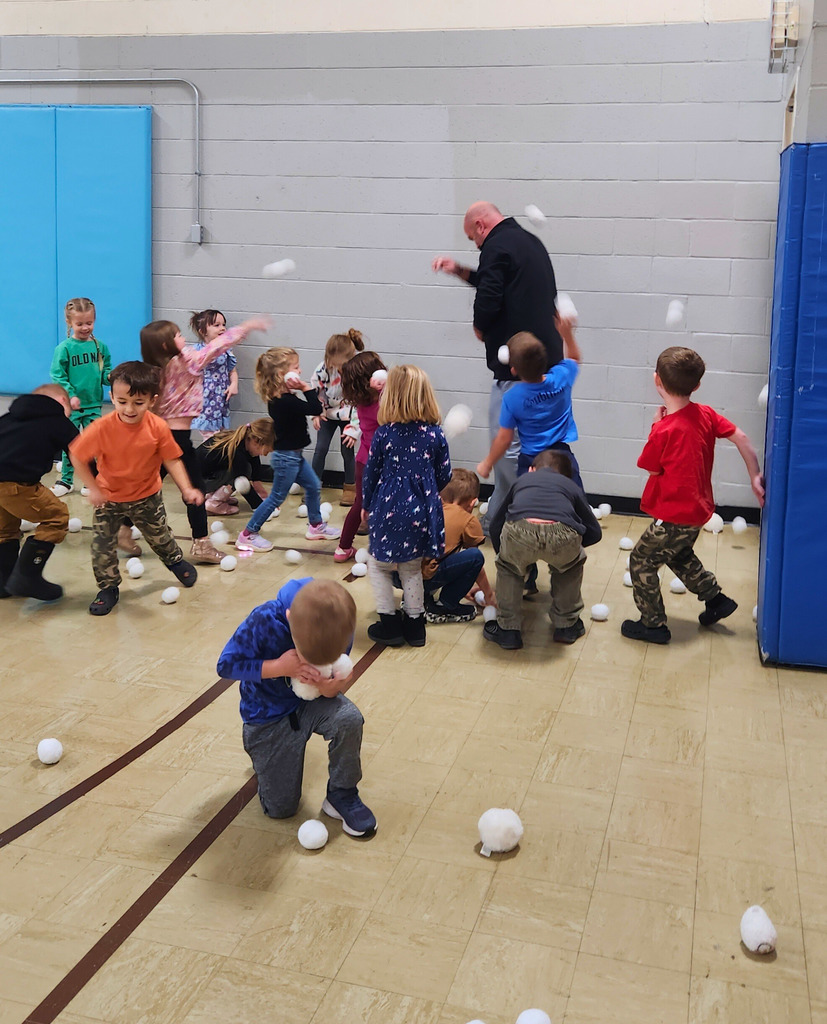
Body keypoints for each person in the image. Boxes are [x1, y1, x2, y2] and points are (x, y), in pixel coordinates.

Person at [432, 201, 563, 527]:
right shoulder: (527, 242)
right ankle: (504, 517)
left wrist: (481, 326)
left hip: (514, 373)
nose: (475, 245)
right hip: (548, 363)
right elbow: (500, 282)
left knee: (508, 450)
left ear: (480, 225)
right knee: (534, 446)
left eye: (472, 238)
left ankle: (516, 516)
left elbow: (490, 293)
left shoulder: (496, 245)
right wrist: (459, 270)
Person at [622, 346, 765, 644]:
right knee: (678, 552)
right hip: (698, 510)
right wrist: (754, 475)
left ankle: (653, 625)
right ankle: (715, 600)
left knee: (641, 560)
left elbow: (652, 469)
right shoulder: (706, 414)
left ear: (656, 381)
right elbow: (741, 437)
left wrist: (656, 425)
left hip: (675, 514)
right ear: (697, 385)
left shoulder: (663, 430)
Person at [217, 577, 376, 836]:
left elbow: (334, 684)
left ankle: (342, 794)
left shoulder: (338, 623)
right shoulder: (264, 619)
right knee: (280, 809)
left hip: (311, 704)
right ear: (289, 620)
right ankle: (265, 761)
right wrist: (280, 667)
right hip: (267, 713)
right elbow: (225, 666)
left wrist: (327, 686)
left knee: (348, 718)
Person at [69, 361, 201, 616]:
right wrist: (94, 488)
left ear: (152, 400)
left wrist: (187, 489)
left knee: (159, 536)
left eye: (138, 403)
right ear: (112, 397)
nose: (129, 409)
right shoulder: (101, 428)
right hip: (109, 498)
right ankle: (108, 587)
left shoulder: (158, 427)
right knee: (102, 546)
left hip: (147, 496)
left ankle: (175, 560)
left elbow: (172, 459)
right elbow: (77, 456)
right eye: (122, 401)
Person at [140, 314, 269, 564]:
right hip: (176, 439)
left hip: (161, 435)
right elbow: (214, 348)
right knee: (195, 490)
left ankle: (123, 527)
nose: (183, 339)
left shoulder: (156, 368)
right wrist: (246, 328)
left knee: (148, 485)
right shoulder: (184, 363)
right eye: (178, 336)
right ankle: (200, 544)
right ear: (167, 345)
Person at [362, 364, 452, 648]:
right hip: (422, 511)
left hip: (387, 507)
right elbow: (445, 474)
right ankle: (415, 628)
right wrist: (424, 491)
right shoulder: (435, 434)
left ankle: (389, 624)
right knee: (411, 568)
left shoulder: (384, 433)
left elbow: (371, 473)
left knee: (379, 565)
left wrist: (367, 505)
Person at [485, 450, 601, 650]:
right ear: (565, 476)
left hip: (520, 530)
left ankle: (508, 630)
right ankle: (566, 626)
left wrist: (504, 554)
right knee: (569, 568)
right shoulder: (570, 486)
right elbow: (594, 531)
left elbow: (496, 525)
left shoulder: (521, 481)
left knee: (509, 568)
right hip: (562, 532)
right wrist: (575, 550)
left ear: (531, 469)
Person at [235, 347, 341, 552]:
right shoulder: (284, 401)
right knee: (276, 497)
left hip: (295, 456)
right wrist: (304, 387)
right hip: (287, 458)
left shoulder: (284, 398)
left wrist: (300, 388)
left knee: (312, 486)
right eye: (296, 367)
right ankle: (248, 534)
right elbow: (316, 408)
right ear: (282, 375)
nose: (300, 371)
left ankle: (316, 525)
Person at [477, 321, 583, 488]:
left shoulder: (512, 397)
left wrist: (487, 463)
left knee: (529, 505)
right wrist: (567, 334)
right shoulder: (561, 377)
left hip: (530, 462)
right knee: (572, 503)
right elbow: (575, 358)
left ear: (513, 370)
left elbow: (505, 439)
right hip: (562, 458)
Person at [0, 383, 78, 601]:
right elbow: (81, 453)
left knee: (5, 530)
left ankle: (3, 582)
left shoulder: (8, 417)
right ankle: (28, 577)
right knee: (56, 517)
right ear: (62, 401)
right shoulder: (57, 420)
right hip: (18, 485)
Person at [49, 297, 112, 496]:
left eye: (89, 323)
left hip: (94, 404)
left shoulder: (100, 347)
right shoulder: (64, 348)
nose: (85, 328)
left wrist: (113, 379)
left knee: (95, 444)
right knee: (72, 445)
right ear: (69, 323)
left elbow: (105, 372)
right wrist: (71, 395)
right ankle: (66, 481)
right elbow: (58, 375)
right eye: (79, 324)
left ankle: (91, 480)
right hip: (73, 406)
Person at [334, 350, 387, 563]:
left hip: (363, 461)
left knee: (359, 504)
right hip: (384, 463)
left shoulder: (360, 403)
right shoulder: (384, 404)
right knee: (386, 505)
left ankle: (342, 548)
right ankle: (385, 550)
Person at [422, 468, 495, 623]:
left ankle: (416, 598)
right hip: (425, 577)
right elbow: (474, 563)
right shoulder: (468, 520)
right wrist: (488, 594)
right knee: (474, 557)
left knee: (435, 555)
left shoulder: (425, 506)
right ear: (474, 502)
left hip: (399, 575)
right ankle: (446, 606)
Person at [311, 328, 364, 507]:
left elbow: (360, 405)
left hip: (349, 415)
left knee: (347, 451)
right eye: (334, 364)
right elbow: (316, 392)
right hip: (328, 413)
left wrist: (353, 430)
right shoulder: (323, 369)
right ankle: (314, 487)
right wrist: (317, 412)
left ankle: (350, 487)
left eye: (341, 365)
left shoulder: (357, 373)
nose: (338, 368)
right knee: (321, 448)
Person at [195, 420, 275, 516]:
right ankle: (214, 503)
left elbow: (255, 463)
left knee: (244, 469)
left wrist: (262, 492)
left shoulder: (242, 441)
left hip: (202, 476)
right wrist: (259, 507)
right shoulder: (236, 452)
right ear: (256, 441)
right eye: (265, 451)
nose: (264, 455)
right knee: (241, 475)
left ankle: (215, 495)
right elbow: (243, 483)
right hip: (198, 483)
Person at [189, 309, 239, 441]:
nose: (222, 328)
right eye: (217, 325)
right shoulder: (197, 350)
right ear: (203, 331)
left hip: (220, 399)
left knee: (221, 435)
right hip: (205, 399)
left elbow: (232, 371)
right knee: (211, 437)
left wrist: (234, 384)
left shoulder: (226, 350)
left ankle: (216, 459)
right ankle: (211, 459)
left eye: (223, 325)